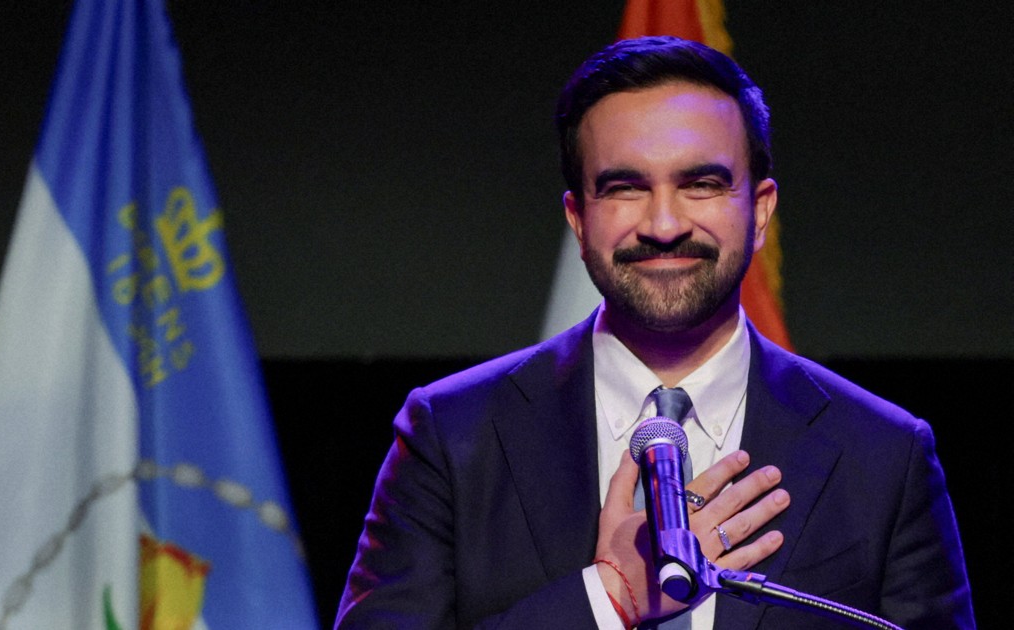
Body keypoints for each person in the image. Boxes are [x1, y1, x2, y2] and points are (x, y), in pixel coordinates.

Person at [335, 36, 974, 629]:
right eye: (625, 188)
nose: (664, 225)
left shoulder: (883, 456)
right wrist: (606, 599)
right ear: (578, 220)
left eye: (701, 184)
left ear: (760, 211)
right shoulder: (453, 436)